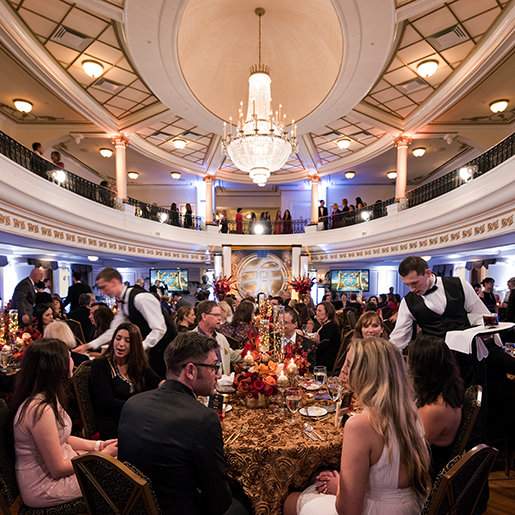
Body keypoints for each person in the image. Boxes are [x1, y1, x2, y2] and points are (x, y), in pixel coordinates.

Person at [285, 337, 430, 515]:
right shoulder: (410, 413)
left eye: (349, 365)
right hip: (411, 507)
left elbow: (349, 510)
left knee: (291, 501)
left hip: (376, 510)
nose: (344, 370)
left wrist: (339, 487)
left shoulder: (359, 425)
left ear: (366, 373)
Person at [118, 332, 248, 514]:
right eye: (214, 367)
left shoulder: (132, 404)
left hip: (132, 508)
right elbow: (219, 501)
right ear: (190, 371)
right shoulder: (203, 419)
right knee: (246, 502)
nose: (218, 375)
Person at [11, 338, 117, 508]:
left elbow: (63, 438)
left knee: (118, 462)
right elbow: (57, 468)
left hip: (58, 467)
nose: (73, 360)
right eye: (68, 357)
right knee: (116, 476)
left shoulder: (49, 396)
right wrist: (102, 456)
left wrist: (98, 446)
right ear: (55, 367)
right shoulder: (40, 409)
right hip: (45, 485)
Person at [389, 256, 492, 387]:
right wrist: (385, 361)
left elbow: (482, 315)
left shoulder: (459, 284)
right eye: (407, 284)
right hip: (434, 365)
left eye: (414, 283)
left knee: (472, 398)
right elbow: (398, 338)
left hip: (467, 361)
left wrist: (487, 332)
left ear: (427, 273)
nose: (411, 289)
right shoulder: (408, 301)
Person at [75, 268, 177, 378]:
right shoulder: (125, 301)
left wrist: (138, 348)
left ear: (114, 282)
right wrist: (88, 346)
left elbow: (160, 329)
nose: (101, 292)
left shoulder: (140, 298)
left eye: (103, 287)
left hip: (168, 350)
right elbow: (113, 331)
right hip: (154, 351)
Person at [90, 323, 162, 439]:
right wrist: (139, 408)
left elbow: (158, 382)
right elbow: (107, 402)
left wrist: (173, 389)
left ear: (135, 345)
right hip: (113, 422)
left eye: (127, 341)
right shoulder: (100, 365)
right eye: (118, 338)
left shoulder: (137, 364)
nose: (121, 344)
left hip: (136, 417)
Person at [407, 334, 464, 479]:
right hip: (423, 464)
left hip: (425, 476)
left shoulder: (434, 409)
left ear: (422, 368)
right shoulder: (442, 391)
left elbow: (410, 451)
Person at [193, 301, 241, 375]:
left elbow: (230, 355)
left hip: (223, 380)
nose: (220, 318)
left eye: (220, 315)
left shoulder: (221, 338)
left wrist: (250, 352)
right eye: (216, 315)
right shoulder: (190, 340)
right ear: (204, 316)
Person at [313, 301, 340, 372]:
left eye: (320, 311)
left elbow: (321, 348)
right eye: (316, 310)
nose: (317, 313)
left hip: (326, 363)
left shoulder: (329, 327)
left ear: (327, 313)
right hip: (327, 357)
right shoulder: (329, 325)